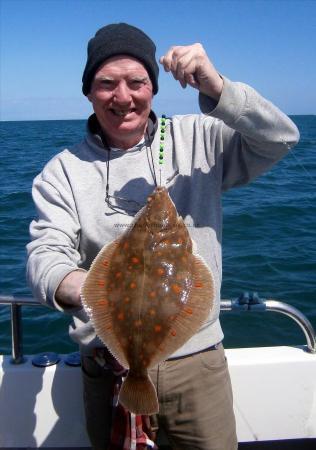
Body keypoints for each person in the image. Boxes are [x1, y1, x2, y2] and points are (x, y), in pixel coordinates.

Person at [26, 23, 299, 450]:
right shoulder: (61, 172)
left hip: (197, 366)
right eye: (106, 83)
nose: (123, 97)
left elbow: (281, 137)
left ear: (153, 87)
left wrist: (219, 88)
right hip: (108, 363)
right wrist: (95, 291)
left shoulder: (199, 137)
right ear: (88, 91)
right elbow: (45, 254)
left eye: (137, 82)